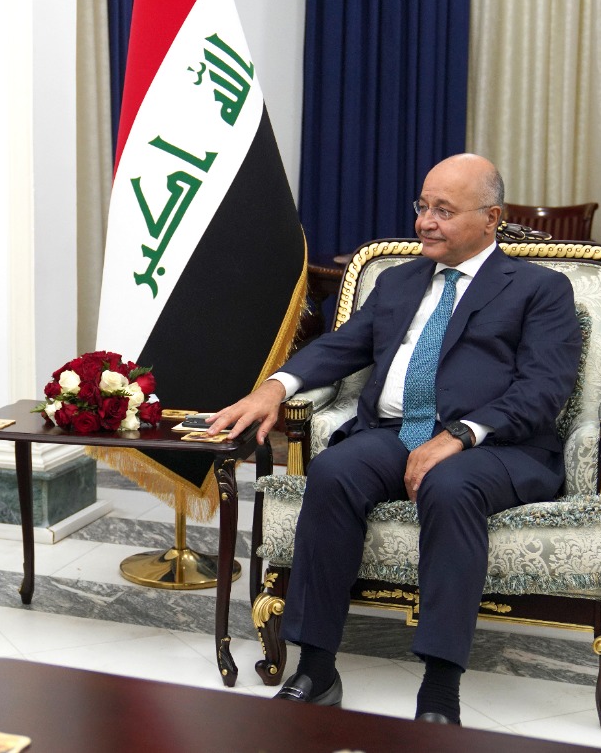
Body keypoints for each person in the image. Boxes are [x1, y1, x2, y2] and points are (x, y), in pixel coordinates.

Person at [208, 153, 581, 725]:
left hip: (498, 447)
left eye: (444, 211)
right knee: (333, 471)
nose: (425, 222)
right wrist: (275, 388)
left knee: (449, 486)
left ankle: (440, 689)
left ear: (491, 218)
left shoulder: (539, 289)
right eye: (422, 206)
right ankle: (316, 668)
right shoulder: (399, 280)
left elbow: (544, 389)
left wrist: (460, 434)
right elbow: (342, 347)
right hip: (397, 432)